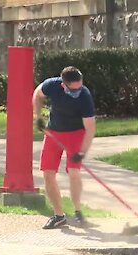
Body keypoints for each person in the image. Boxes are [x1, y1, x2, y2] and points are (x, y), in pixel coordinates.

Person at [32, 66, 96, 229]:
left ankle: (78, 211)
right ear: (63, 85)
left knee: (74, 172)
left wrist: (81, 152)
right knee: (48, 172)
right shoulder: (52, 85)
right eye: (73, 90)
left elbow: (90, 128)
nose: (77, 92)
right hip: (54, 132)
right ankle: (59, 215)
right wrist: (38, 117)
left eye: (79, 88)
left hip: (76, 134)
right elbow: (37, 95)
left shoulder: (84, 96)